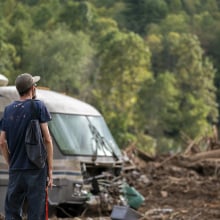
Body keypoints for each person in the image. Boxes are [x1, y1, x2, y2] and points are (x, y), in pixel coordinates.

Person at [0, 73, 53, 220]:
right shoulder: (38, 106)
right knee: (36, 213)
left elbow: (2, 142)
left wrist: (11, 163)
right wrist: (50, 170)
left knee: (12, 212)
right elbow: (48, 140)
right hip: (36, 169)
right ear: (33, 88)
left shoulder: (9, 109)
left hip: (16, 169)